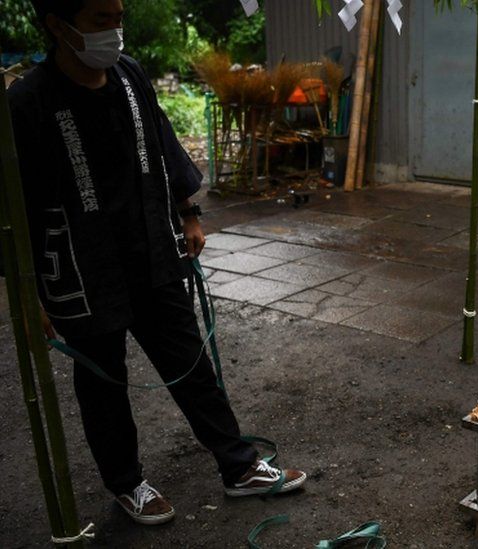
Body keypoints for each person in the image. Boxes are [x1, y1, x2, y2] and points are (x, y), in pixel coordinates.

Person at [5, 0, 306, 525]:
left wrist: (189, 212)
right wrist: (27, 295)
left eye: (119, 16)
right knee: (103, 383)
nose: (115, 30)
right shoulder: (27, 101)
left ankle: (237, 466)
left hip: (151, 247)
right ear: (59, 24)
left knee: (190, 362)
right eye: (101, 19)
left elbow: (163, 145)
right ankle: (127, 483)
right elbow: (13, 206)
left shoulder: (129, 75)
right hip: (80, 266)